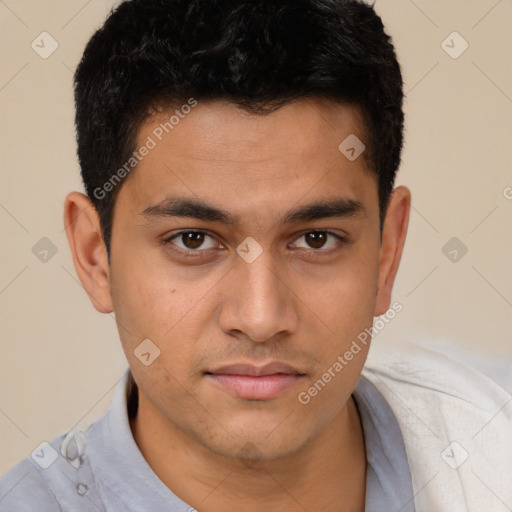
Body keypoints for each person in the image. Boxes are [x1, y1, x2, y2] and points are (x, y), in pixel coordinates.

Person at [1, 0, 510, 511]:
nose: (262, 318)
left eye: (316, 239)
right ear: (96, 256)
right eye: (193, 240)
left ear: (386, 252)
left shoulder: (492, 453)